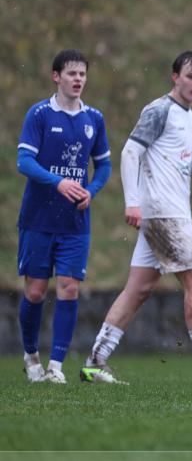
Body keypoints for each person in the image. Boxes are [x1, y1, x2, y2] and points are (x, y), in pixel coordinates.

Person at [80, 51, 192, 386]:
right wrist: (132, 202)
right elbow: (131, 152)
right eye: (191, 76)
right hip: (163, 213)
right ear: (174, 76)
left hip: (170, 213)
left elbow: (191, 161)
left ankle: (95, 361)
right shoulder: (159, 110)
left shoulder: (187, 117)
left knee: (139, 288)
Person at [16, 49, 112, 383]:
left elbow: (104, 165)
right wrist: (58, 182)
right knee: (36, 292)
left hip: (75, 223)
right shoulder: (40, 114)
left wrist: (91, 191)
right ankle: (31, 358)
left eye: (82, 74)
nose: (78, 80)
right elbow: (24, 162)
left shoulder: (93, 119)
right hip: (38, 219)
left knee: (69, 287)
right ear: (56, 76)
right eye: (72, 74)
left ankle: (56, 367)